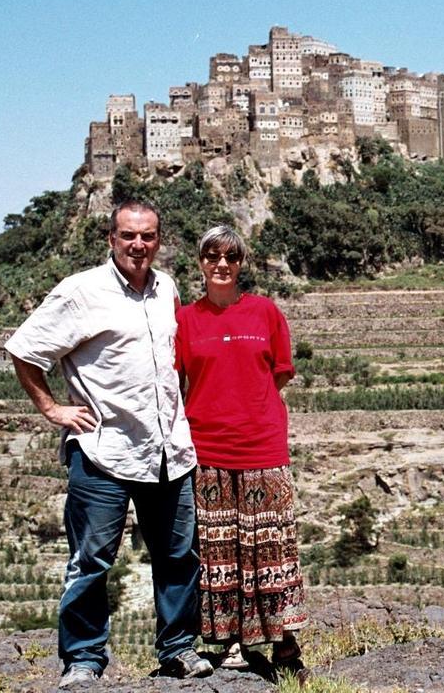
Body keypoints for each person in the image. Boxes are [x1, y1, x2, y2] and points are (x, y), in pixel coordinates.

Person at [5, 200, 213, 688]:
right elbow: (24, 350)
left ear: (159, 240)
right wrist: (52, 409)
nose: (138, 244)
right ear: (111, 239)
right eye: (128, 235)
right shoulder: (81, 291)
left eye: (147, 236)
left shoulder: (167, 289)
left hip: (167, 450)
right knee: (91, 561)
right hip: (104, 450)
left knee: (179, 555)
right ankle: (83, 660)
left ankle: (178, 650)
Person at [174, 225, 309, 677]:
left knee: (271, 547)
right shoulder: (185, 321)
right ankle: (231, 640)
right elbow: (178, 381)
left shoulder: (265, 313)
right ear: (201, 262)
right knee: (220, 551)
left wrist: (250, 410)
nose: (222, 264)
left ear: (241, 264)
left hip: (262, 448)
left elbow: (280, 373)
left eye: (231, 257)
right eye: (213, 256)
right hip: (208, 450)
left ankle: (283, 643)